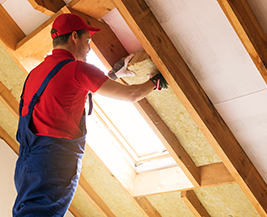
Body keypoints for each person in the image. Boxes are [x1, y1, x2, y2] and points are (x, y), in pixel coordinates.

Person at [13, 13, 168, 217]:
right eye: (88, 40)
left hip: (27, 166)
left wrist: (112, 76)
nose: (89, 48)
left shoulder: (36, 73)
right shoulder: (78, 69)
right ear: (74, 37)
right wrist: (156, 82)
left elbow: (67, 94)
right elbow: (132, 94)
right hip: (54, 163)